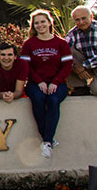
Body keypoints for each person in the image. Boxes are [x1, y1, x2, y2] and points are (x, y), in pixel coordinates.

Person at [21, 9, 72, 159]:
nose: (40, 25)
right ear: (33, 26)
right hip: (35, 83)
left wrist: (55, 82)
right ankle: (48, 139)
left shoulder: (61, 43)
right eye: (36, 23)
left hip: (58, 83)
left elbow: (67, 66)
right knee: (38, 99)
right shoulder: (29, 44)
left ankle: (47, 141)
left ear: (49, 22)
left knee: (53, 100)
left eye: (43, 21)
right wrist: (40, 82)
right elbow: (26, 67)